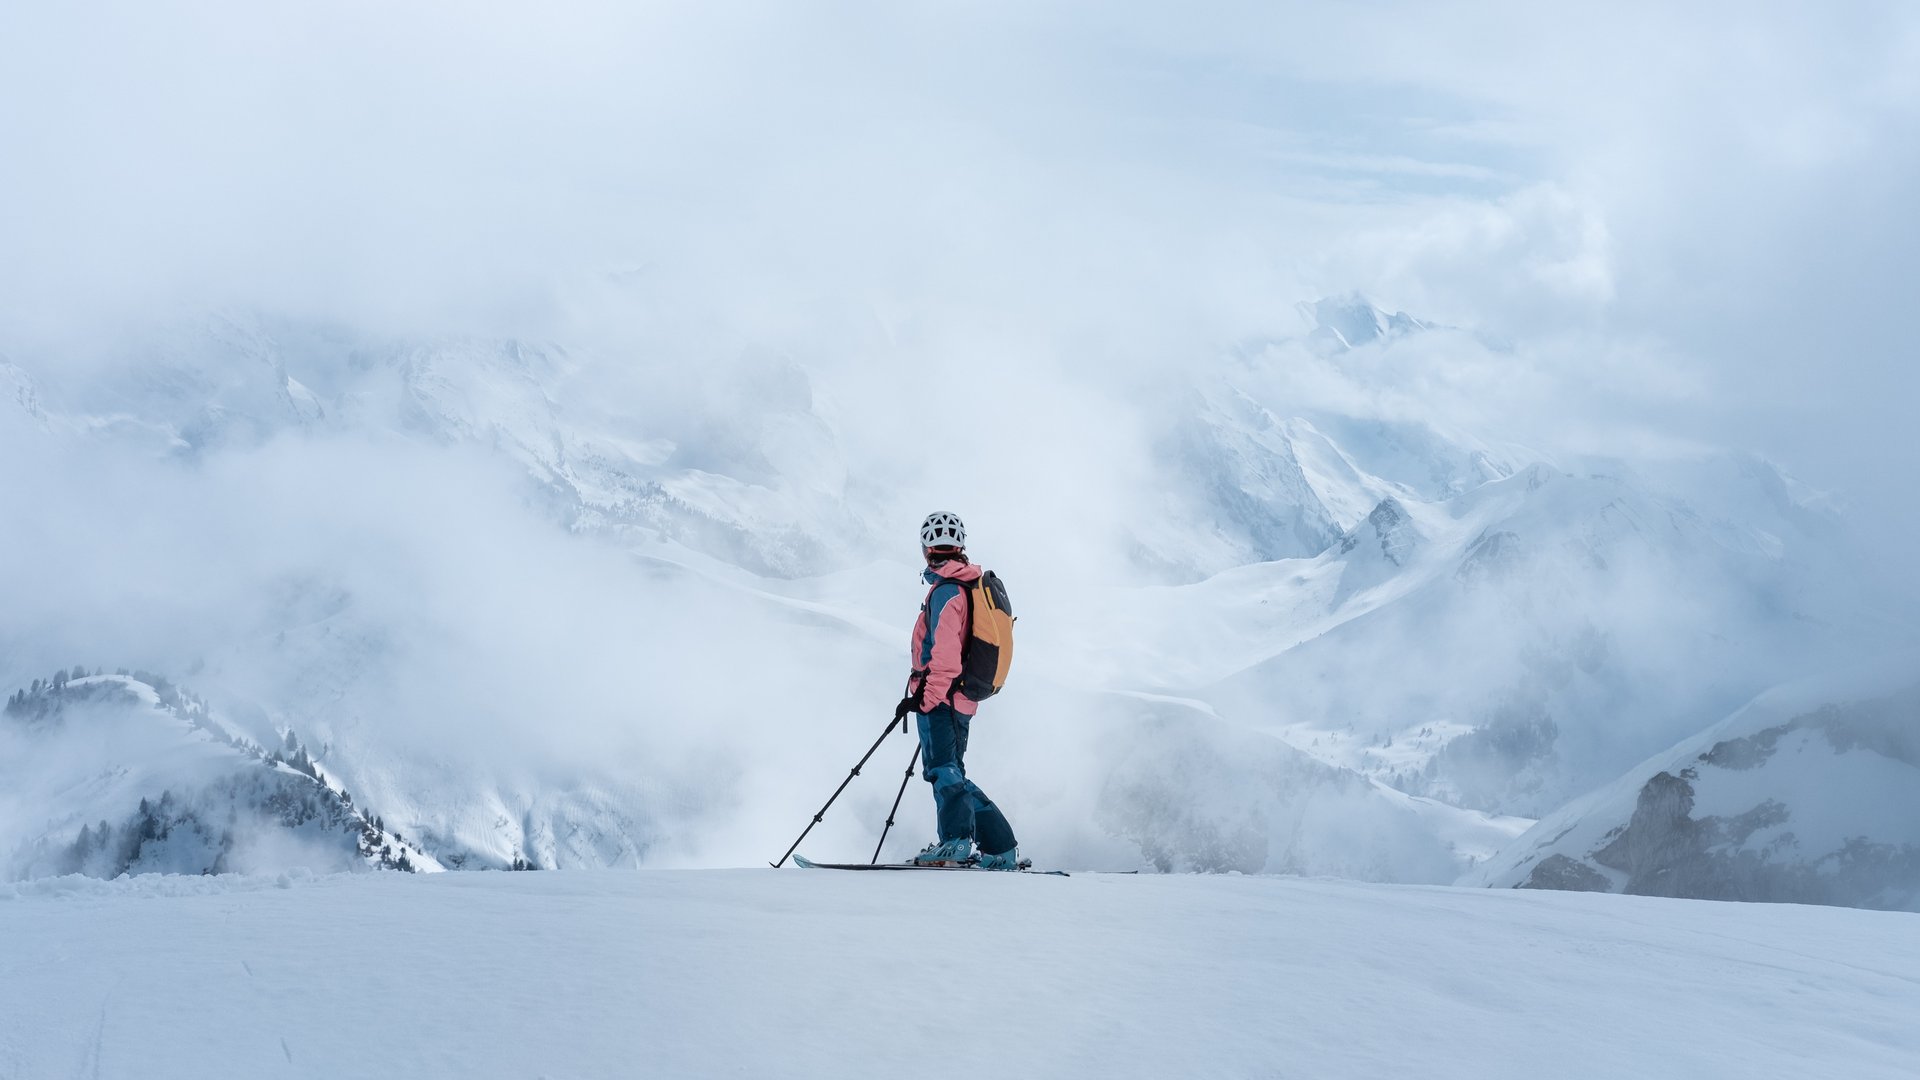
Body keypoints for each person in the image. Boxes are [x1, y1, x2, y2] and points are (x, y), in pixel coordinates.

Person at [895, 511, 1020, 869]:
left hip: (943, 698)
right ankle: (1000, 848)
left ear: (926, 549)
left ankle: (955, 842)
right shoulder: (966, 584)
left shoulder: (947, 591)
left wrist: (925, 699)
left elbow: (946, 657)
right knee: (952, 772)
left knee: (943, 771)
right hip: (960, 697)